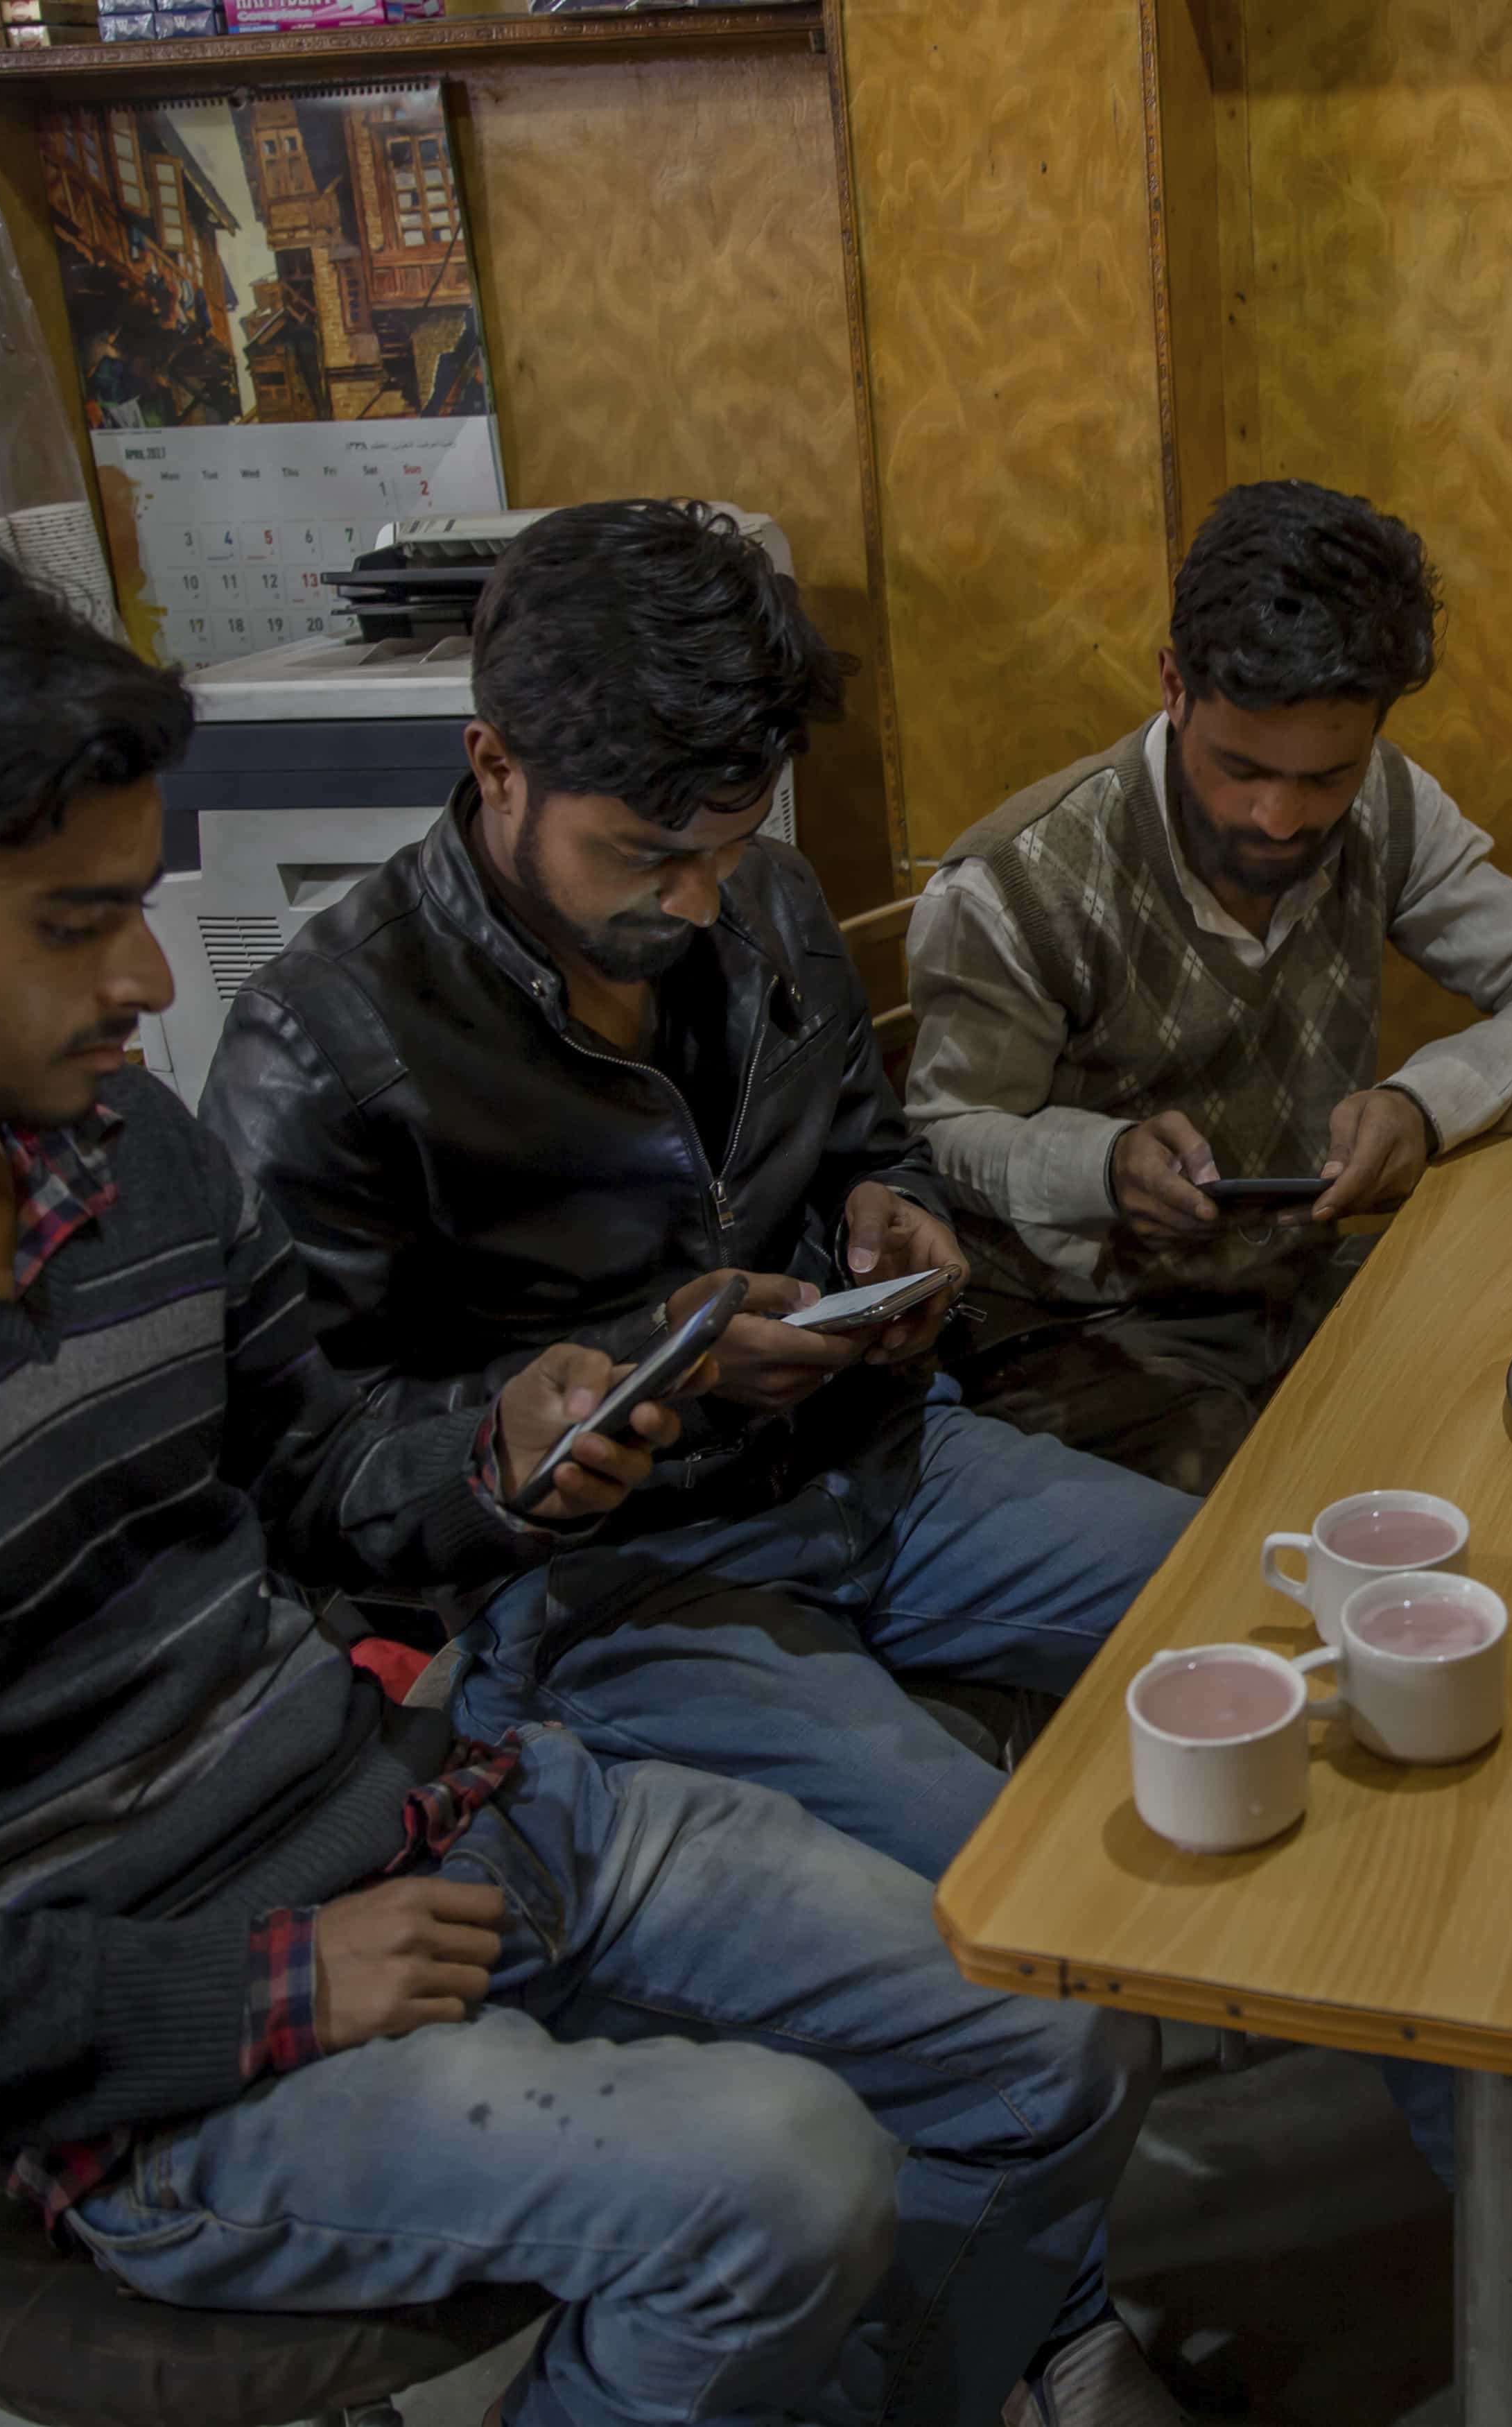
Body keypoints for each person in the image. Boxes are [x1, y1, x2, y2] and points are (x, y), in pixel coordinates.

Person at [0, 537, 1154, 2427]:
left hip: (438, 1814)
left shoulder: (124, 1157)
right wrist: (260, 1990)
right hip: (157, 2052)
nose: (149, 977)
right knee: (780, 2175)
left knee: (1050, 2021)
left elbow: (322, 1479)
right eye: (76, 925)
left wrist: (503, 1450)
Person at [201, 501, 1196, 1894]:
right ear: (496, 766)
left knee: (1279, 1635)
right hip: (630, 1574)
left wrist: (894, 1225)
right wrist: (595, 1387)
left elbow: (871, 1147)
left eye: (727, 844)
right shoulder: (321, 1047)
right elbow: (299, 1477)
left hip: (891, 1464)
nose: (694, 899)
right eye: (642, 855)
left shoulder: (769, 905)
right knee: (1013, 1879)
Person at [903, 478, 1512, 1494]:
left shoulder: (1388, 801)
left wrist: (1423, 1107)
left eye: (1325, 777)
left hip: (1292, 1289)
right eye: (1239, 767)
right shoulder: (1020, 884)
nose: (1279, 818)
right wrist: (1102, 1167)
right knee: (1296, 1519)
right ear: (1171, 684)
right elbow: (941, 1138)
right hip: (1081, 1334)